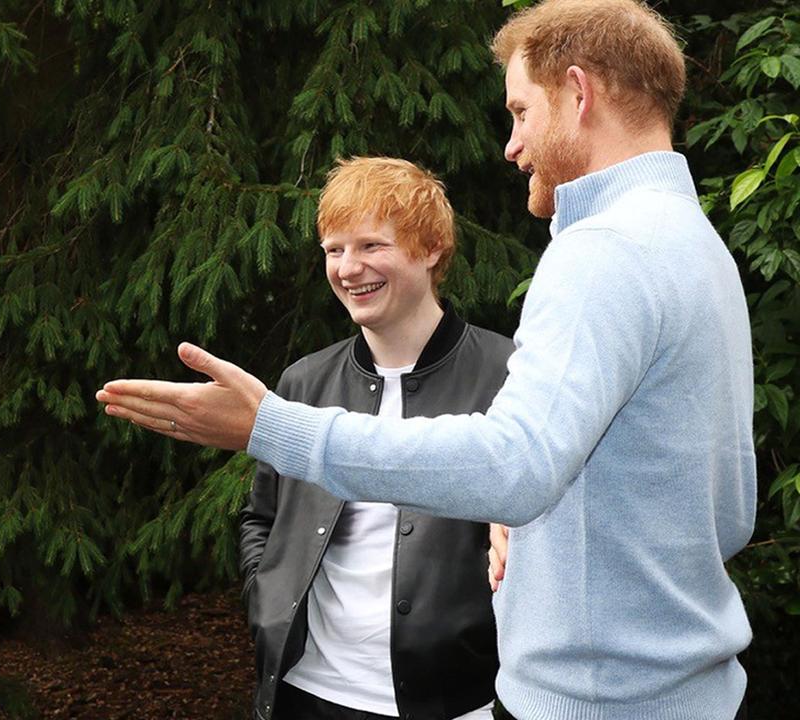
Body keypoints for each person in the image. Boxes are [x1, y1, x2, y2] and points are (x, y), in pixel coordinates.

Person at [96, 1, 755, 718]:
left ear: (578, 93)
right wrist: (535, 532)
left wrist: (272, 428)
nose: (511, 145)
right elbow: (726, 512)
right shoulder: (696, 246)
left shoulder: (602, 251)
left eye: (520, 111)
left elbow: (514, 467)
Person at [241, 157, 508, 720]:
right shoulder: (304, 381)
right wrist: (266, 598)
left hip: (456, 701)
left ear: (432, 247)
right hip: (306, 692)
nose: (348, 268)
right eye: (334, 250)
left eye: (371, 246)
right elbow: (261, 518)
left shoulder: (509, 375)